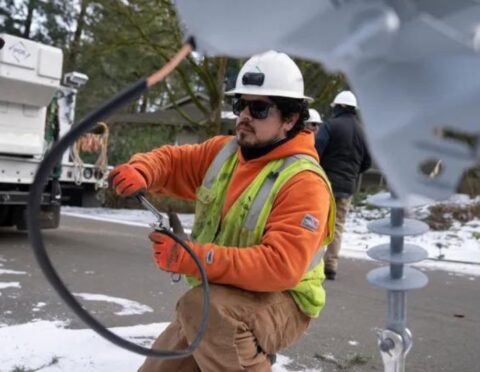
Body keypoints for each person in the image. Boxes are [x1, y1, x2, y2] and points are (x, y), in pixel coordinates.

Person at [109, 50, 335, 372]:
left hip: (285, 301)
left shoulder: (303, 181)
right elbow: (174, 161)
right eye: (240, 104)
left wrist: (193, 258)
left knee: (202, 307)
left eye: (259, 108)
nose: (244, 115)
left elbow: (280, 266)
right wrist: (143, 169)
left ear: (290, 118)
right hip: (222, 295)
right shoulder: (225, 153)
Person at [315, 90, 371, 280]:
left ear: (337, 107)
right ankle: (331, 265)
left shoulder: (330, 126)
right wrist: (353, 173)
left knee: (319, 222)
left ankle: (313, 263)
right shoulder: (363, 131)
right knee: (337, 225)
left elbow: (316, 150)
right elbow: (367, 162)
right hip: (347, 187)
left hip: (325, 185)